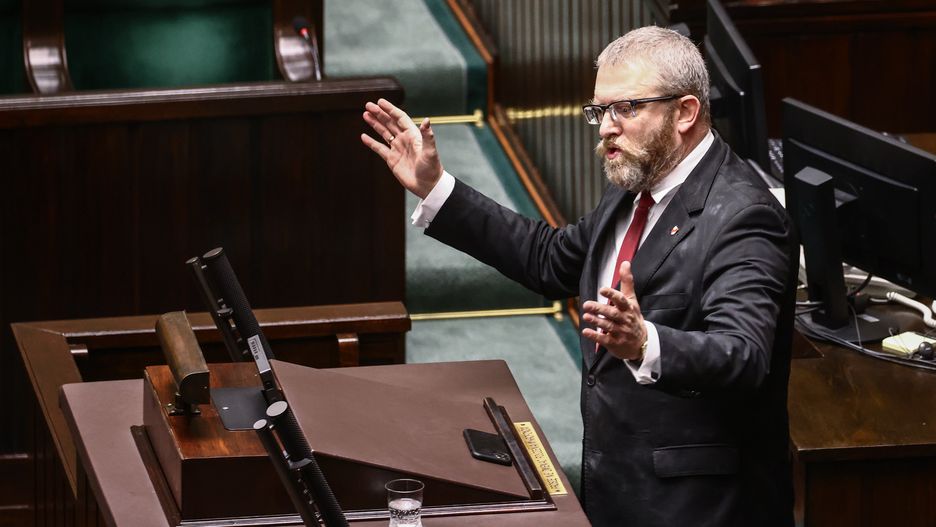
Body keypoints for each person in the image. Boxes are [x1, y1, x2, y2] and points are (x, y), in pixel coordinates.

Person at [361, 26, 796, 527]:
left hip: (699, 508)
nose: (606, 127)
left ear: (686, 112)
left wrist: (646, 342)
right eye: (600, 111)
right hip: (616, 487)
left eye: (627, 108)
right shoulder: (634, 185)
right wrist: (436, 188)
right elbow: (551, 259)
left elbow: (743, 354)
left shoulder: (744, 215)